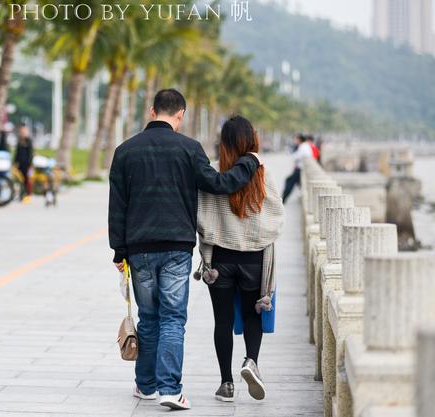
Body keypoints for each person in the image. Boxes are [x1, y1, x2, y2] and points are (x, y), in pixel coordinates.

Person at [108, 89, 262, 411]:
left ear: (152, 111)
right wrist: (249, 163)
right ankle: (170, 389)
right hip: (177, 247)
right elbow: (220, 185)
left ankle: (146, 385)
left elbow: (117, 206)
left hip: (138, 249)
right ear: (180, 115)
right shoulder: (189, 149)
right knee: (173, 318)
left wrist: (118, 251)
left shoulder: (125, 151)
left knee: (148, 318)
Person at [196, 115, 284, 403]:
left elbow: (203, 218)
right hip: (255, 260)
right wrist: (250, 234)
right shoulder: (263, 175)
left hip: (220, 261)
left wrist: (224, 232)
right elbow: (275, 219)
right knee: (251, 315)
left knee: (222, 321)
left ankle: (226, 384)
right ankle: (251, 362)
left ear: (225, 143)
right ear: (252, 141)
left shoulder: (214, 174)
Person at [282, 133, 313, 203]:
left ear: (299, 139)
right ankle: (284, 199)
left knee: (289, 182)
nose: (295, 140)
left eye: (296, 139)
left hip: (300, 170)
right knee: (293, 182)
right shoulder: (304, 146)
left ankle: (283, 199)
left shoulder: (303, 147)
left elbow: (296, 157)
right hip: (301, 169)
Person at [14, 124, 34, 202]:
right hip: (20, 164)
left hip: (27, 165)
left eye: (24, 132)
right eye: (21, 132)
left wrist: (31, 165)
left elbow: (31, 154)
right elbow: (17, 153)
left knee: (27, 180)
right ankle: (21, 195)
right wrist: (15, 162)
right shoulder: (19, 141)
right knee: (20, 180)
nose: (22, 133)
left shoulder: (29, 142)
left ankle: (28, 195)